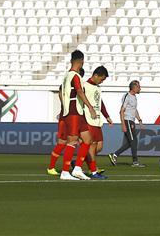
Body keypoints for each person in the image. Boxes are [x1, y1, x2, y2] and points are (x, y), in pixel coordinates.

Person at [58, 50, 97, 181]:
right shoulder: (74, 76)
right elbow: (79, 91)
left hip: (78, 112)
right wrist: (90, 107)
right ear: (82, 62)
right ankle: (64, 172)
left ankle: (77, 169)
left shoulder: (66, 76)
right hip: (74, 112)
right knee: (73, 140)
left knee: (87, 140)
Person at [48, 67, 84, 176]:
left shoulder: (76, 84)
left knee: (80, 141)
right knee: (63, 142)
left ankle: (75, 167)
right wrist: (65, 109)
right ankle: (52, 167)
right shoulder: (67, 85)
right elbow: (61, 95)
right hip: (67, 116)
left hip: (72, 115)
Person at [81, 66, 113, 180]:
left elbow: (100, 103)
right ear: (95, 75)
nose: (102, 81)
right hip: (88, 119)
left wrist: (107, 116)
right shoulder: (84, 86)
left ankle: (79, 162)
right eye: (101, 79)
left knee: (99, 147)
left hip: (97, 120)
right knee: (92, 146)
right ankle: (93, 171)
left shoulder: (98, 88)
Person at [109, 80, 145, 167]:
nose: (140, 88)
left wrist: (140, 121)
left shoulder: (134, 97)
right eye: (139, 87)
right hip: (127, 121)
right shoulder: (127, 96)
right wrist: (123, 124)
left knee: (130, 142)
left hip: (131, 121)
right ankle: (135, 162)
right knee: (134, 141)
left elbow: (134, 110)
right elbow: (121, 111)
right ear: (134, 87)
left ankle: (114, 155)